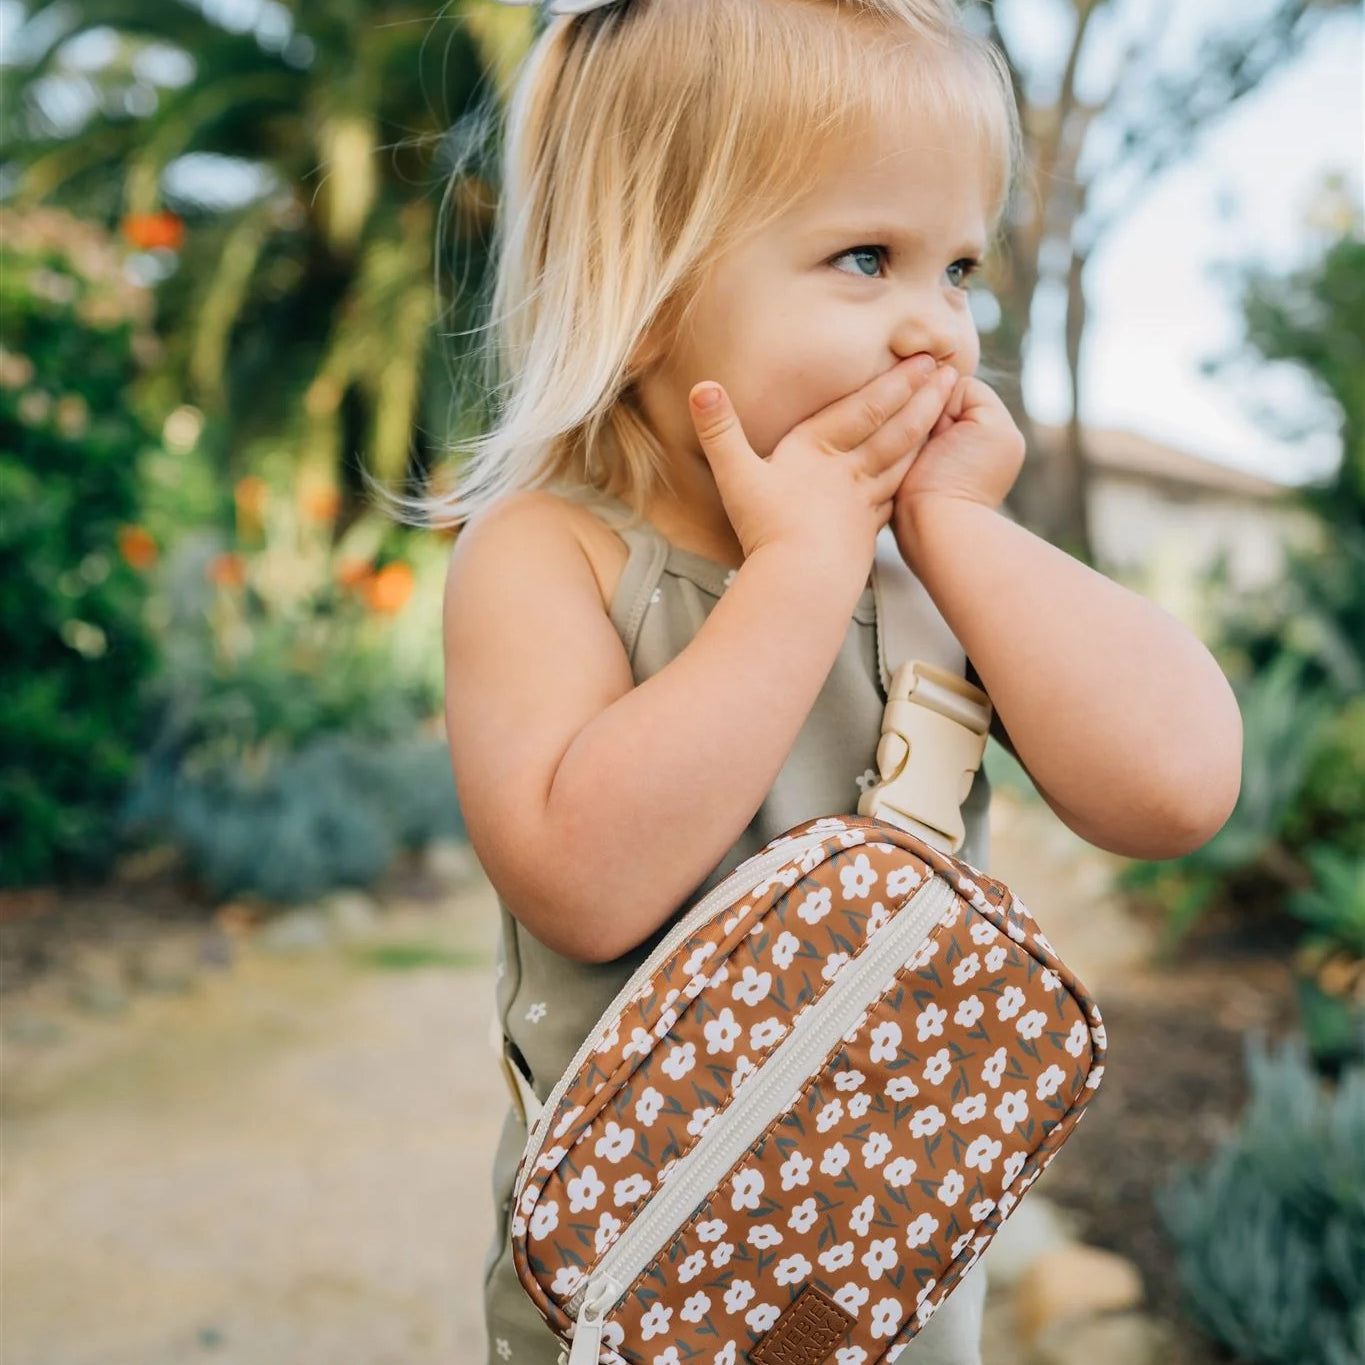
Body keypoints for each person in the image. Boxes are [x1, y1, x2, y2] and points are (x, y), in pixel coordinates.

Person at [425, 1, 1244, 1360]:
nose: (933, 328)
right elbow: (581, 876)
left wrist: (959, 532)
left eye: (961, 271)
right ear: (639, 295)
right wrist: (795, 575)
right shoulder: (546, 554)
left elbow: (1176, 788)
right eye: (865, 258)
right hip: (641, 1301)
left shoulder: (933, 565)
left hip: (889, 1310)